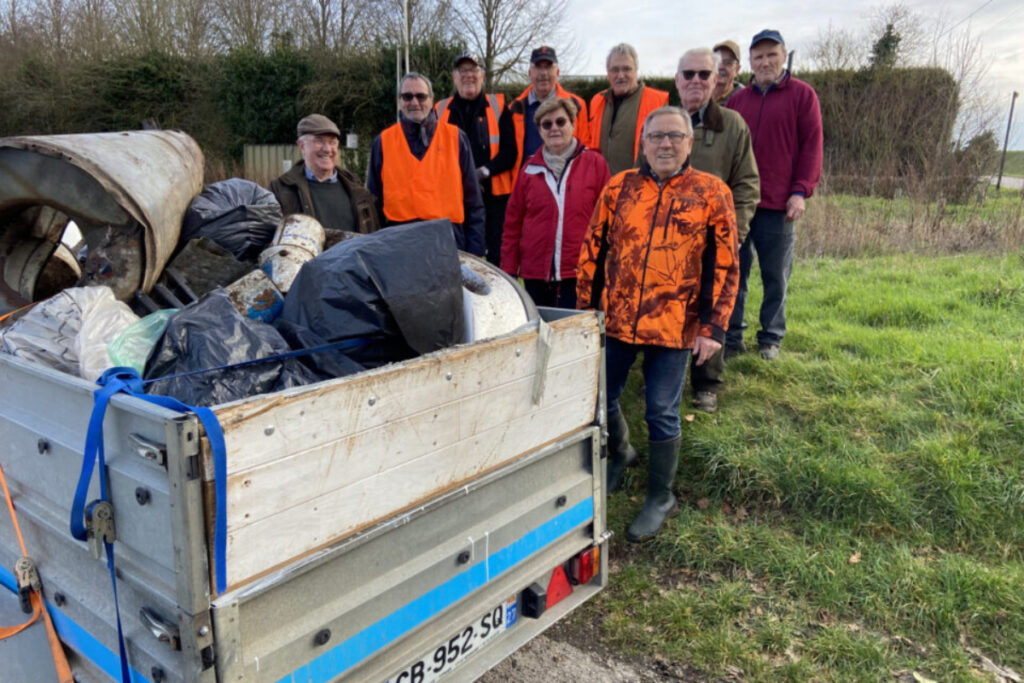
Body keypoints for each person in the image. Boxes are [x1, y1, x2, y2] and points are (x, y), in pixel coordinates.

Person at [577, 106, 739, 541]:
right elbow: (593, 251)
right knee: (600, 398)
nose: (665, 144)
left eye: (675, 136)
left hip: (675, 325)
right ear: (643, 143)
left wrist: (714, 328)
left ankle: (660, 495)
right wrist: (583, 314)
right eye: (656, 137)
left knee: (661, 411)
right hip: (616, 320)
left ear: (689, 143)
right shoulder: (619, 187)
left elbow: (725, 264)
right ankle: (621, 452)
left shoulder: (712, 192)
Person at [725, 29, 823, 361]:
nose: (765, 62)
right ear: (749, 63)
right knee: (734, 274)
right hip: (739, 203)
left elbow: (812, 146)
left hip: (779, 204)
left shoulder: (802, 95)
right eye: (759, 57)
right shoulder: (737, 102)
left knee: (775, 275)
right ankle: (732, 336)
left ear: (783, 57)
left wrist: (800, 191)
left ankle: (770, 336)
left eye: (771, 55)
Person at [676, 47, 760, 413]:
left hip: (714, 241)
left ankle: (707, 382)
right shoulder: (664, 122)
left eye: (704, 75)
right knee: (671, 308)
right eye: (689, 74)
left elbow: (747, 184)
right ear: (677, 80)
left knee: (710, 309)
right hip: (670, 242)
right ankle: (668, 373)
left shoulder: (732, 125)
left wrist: (735, 233)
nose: (696, 81)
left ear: (716, 80)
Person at [501, 98, 609, 308]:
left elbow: (609, 222)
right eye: (547, 124)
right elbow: (512, 225)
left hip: (580, 273)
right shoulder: (528, 170)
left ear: (573, 124)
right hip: (536, 276)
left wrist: (606, 267)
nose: (554, 128)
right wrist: (509, 271)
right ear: (540, 130)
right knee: (541, 335)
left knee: (576, 336)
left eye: (561, 122)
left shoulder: (595, 164)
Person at [367, 72, 485, 255]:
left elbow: (473, 201)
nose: (414, 102)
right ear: (399, 101)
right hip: (398, 243)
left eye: (421, 96)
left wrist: (475, 252)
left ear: (431, 100)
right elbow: (373, 203)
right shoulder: (382, 142)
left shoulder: (456, 138)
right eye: (407, 96)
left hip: (448, 241)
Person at [436, 52, 518, 266]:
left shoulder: (499, 106)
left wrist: (483, 172)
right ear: (454, 77)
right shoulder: (439, 110)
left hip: (494, 201)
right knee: (456, 261)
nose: (468, 76)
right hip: (453, 200)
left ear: (482, 74)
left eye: (473, 70)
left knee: (494, 264)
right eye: (463, 71)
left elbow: (510, 153)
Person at [269, 114, 380, 234]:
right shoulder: (281, 190)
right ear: (302, 146)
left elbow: (373, 238)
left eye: (332, 142)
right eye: (319, 141)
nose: (327, 149)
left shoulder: (357, 190)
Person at [498, 46, 588, 193]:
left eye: (548, 67)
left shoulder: (577, 105)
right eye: (538, 67)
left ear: (557, 72)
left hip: (567, 187)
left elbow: (585, 146)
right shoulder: (514, 108)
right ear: (530, 73)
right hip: (527, 188)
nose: (543, 73)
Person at [586, 43, 669, 175]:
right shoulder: (597, 101)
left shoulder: (658, 102)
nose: (620, 75)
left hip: (640, 186)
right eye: (615, 70)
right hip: (601, 186)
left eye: (626, 69)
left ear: (636, 70)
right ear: (608, 73)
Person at [712, 40, 744, 104]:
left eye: (727, 63)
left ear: (737, 69)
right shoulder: (701, 97)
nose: (720, 67)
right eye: (717, 61)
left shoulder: (744, 101)